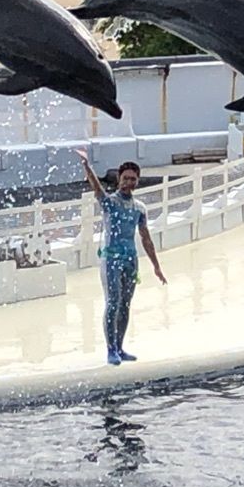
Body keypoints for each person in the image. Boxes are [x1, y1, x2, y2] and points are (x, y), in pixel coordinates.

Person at [75, 149, 167, 365]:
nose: (129, 182)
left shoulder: (139, 208)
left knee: (125, 304)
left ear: (138, 181)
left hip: (130, 259)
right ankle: (110, 350)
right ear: (119, 179)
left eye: (133, 179)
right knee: (113, 302)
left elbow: (146, 238)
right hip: (111, 259)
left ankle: (120, 346)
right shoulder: (109, 203)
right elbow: (96, 188)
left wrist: (156, 266)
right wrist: (87, 167)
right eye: (126, 178)